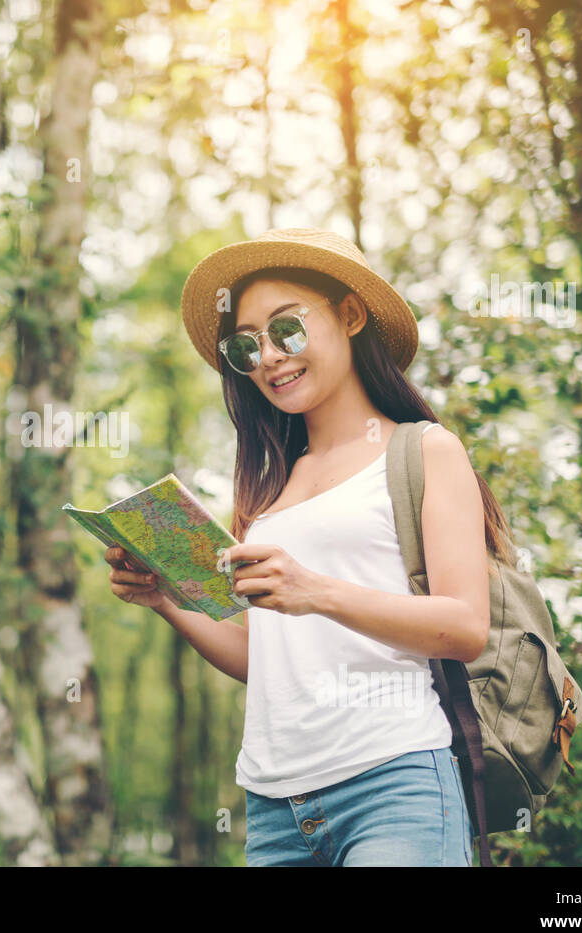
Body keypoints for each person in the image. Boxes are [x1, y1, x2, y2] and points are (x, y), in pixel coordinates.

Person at [106, 228, 516, 866]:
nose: (269, 356)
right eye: (247, 345)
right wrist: (167, 598)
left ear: (350, 316)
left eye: (287, 330)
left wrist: (314, 590)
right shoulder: (268, 496)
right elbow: (264, 658)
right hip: (275, 808)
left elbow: (464, 626)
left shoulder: (425, 451)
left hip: (394, 779)